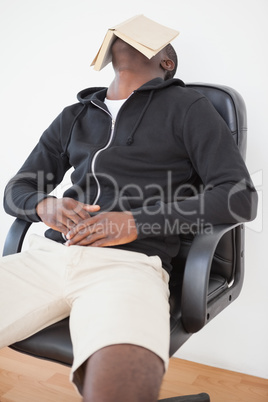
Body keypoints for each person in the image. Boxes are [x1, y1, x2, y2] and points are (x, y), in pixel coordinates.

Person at [1, 18, 257, 402]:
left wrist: (136, 222)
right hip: (49, 257)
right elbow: (17, 189)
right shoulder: (75, 116)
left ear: (166, 63)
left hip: (129, 269)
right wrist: (43, 205)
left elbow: (239, 197)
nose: (125, 36)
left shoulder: (189, 106)